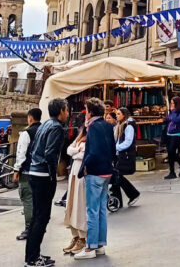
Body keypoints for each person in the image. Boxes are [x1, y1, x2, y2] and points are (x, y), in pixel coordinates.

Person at [25, 97, 69, 267]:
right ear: (61, 111)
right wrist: (53, 174)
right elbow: (50, 153)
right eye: (66, 109)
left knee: (37, 216)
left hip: (34, 172)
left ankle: (32, 255)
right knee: (42, 217)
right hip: (44, 175)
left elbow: (35, 147)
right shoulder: (57, 128)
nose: (68, 112)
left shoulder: (44, 125)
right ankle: (33, 258)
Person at [73, 97, 115, 260]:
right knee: (101, 209)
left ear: (90, 112)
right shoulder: (107, 125)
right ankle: (100, 244)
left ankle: (90, 247)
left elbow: (94, 151)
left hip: (95, 172)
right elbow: (112, 148)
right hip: (106, 170)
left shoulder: (94, 127)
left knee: (92, 209)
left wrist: (84, 167)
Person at [14, 107, 43, 241]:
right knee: (39, 199)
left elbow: (21, 153)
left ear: (30, 117)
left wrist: (16, 169)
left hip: (28, 170)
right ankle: (39, 225)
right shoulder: (45, 130)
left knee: (27, 198)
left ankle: (29, 227)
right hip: (43, 170)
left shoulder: (27, 132)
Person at [62, 125, 87, 256]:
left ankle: (82, 238)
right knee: (71, 204)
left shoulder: (90, 138)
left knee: (79, 204)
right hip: (74, 172)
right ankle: (75, 236)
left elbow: (83, 155)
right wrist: (77, 149)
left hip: (81, 172)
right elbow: (69, 150)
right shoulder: (79, 138)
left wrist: (75, 151)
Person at [114, 107, 140, 206]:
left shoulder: (128, 126)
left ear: (124, 115)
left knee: (117, 175)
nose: (116, 116)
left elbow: (128, 141)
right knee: (116, 176)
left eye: (118, 114)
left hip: (126, 155)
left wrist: (117, 147)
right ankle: (120, 199)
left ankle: (132, 194)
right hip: (120, 154)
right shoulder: (120, 126)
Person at [164, 97, 180, 179]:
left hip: (177, 134)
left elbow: (176, 120)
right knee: (170, 153)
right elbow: (169, 120)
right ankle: (172, 171)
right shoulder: (172, 112)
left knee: (172, 152)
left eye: (172, 103)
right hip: (169, 134)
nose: (171, 105)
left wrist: (172, 111)